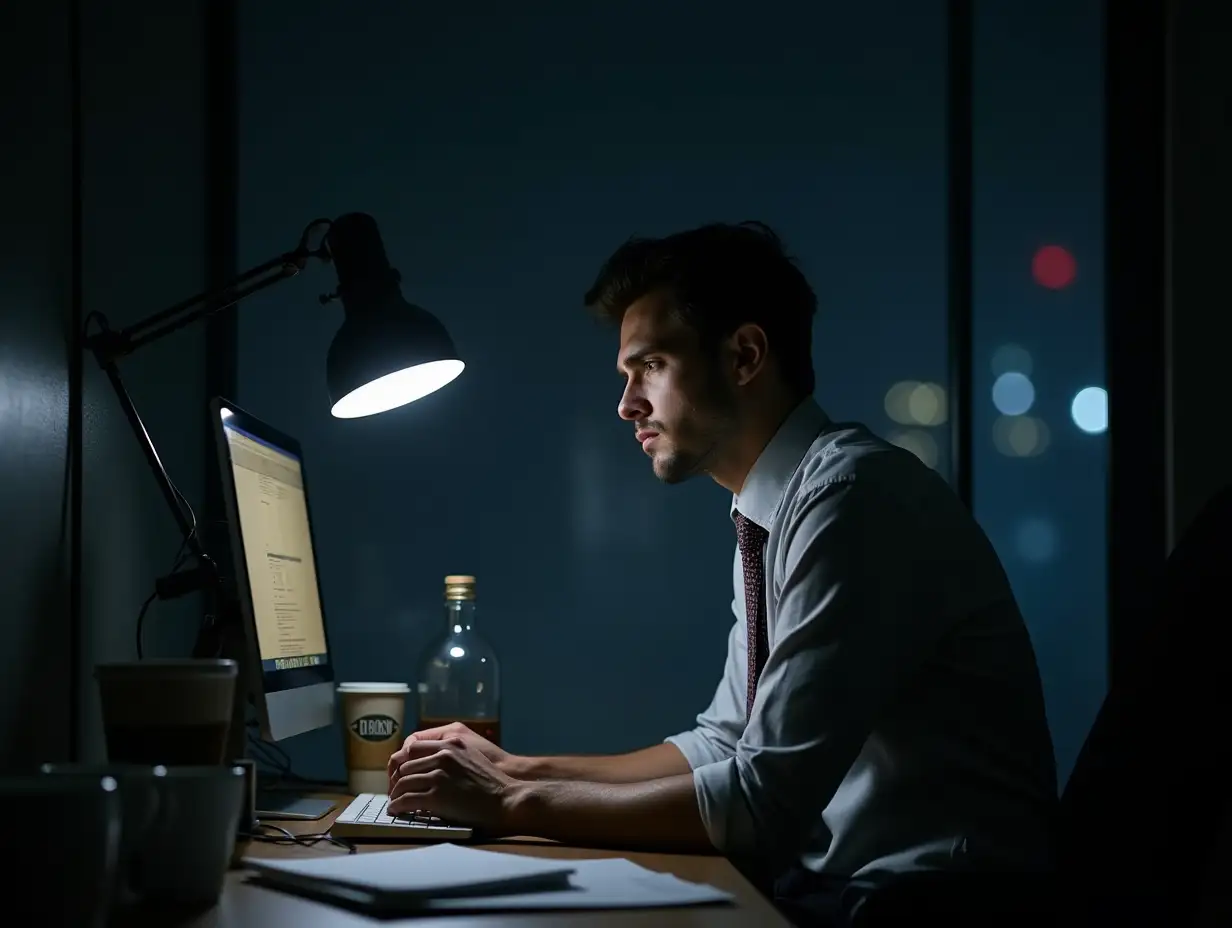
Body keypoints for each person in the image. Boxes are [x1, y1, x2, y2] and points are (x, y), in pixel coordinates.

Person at [385, 222, 1059, 923]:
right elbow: (726, 742)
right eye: (626, 375)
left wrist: (509, 802)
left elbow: (762, 799)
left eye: (649, 366)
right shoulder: (777, 506)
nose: (627, 405)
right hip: (856, 894)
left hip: (937, 906)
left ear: (744, 356)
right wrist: (516, 768)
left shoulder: (852, 500)